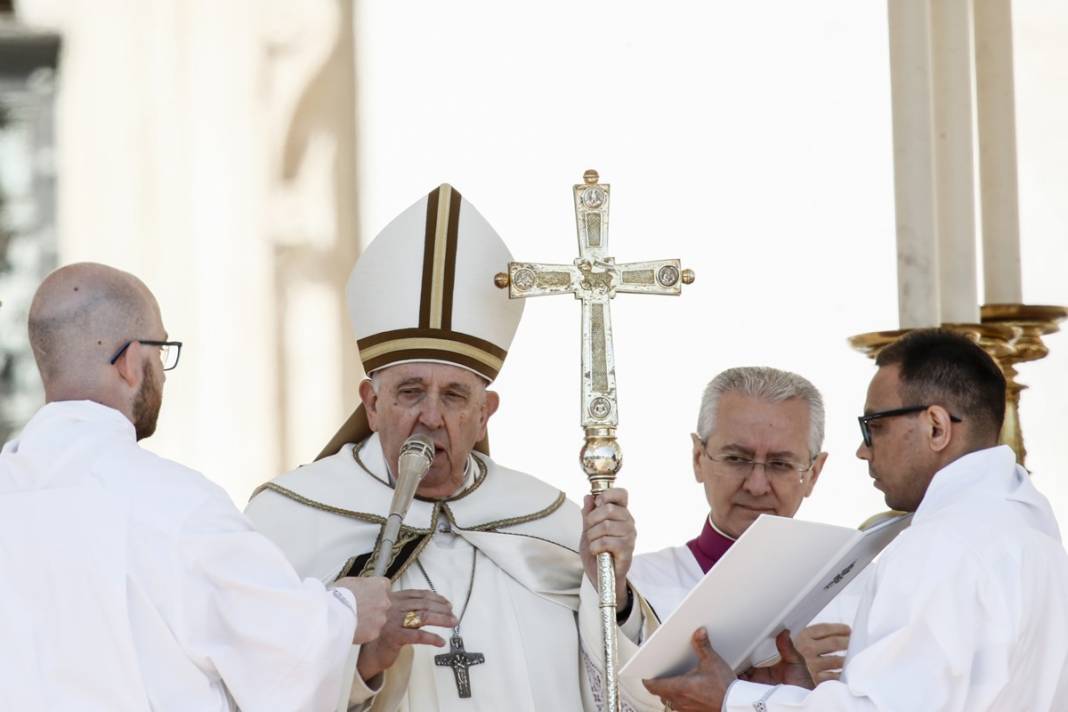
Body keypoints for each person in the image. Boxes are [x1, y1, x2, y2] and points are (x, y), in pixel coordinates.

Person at [246, 184, 664, 711]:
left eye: (454, 396)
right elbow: (249, 681)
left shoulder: (549, 521)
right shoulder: (286, 521)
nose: (430, 416)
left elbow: (639, 695)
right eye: (410, 392)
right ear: (371, 404)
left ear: (485, 412)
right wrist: (363, 662)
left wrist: (611, 591)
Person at [0, 263, 391, 712]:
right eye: (161, 350)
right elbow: (283, 656)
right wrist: (348, 611)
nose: (164, 374)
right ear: (129, 362)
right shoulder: (175, 504)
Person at [644, 328, 1068, 711]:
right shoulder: (1031, 531)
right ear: (698, 457)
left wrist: (733, 697)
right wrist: (803, 691)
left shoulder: (938, 545)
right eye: (737, 458)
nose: (863, 451)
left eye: (873, 427)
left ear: (936, 427)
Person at [628, 366, 856, 683]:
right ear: (698, 458)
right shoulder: (633, 591)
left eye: (780, 464)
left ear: (814, 474)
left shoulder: (862, 590)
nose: (756, 485)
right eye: (736, 459)